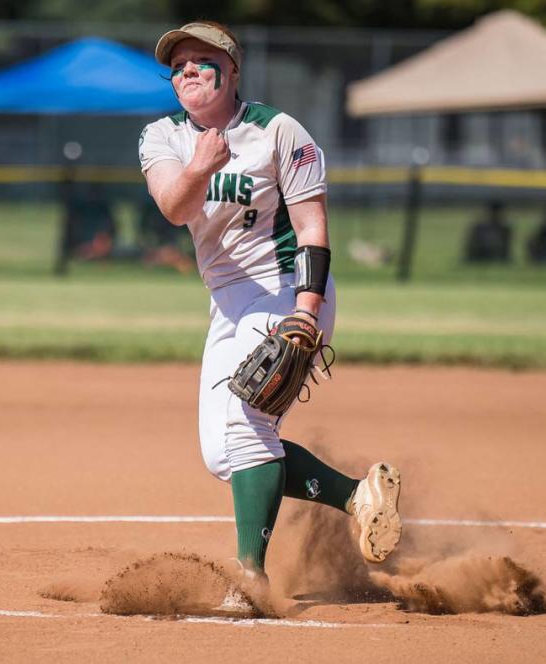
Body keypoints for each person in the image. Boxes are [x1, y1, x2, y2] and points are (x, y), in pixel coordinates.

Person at [139, 21, 402, 584]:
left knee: (246, 421)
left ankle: (249, 575)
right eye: (177, 64)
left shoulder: (279, 131)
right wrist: (200, 167)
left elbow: (313, 228)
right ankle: (359, 495)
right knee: (222, 457)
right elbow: (172, 206)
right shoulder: (162, 137)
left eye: (199, 59)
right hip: (229, 302)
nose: (185, 69)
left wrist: (305, 309)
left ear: (232, 70)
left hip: (286, 286)